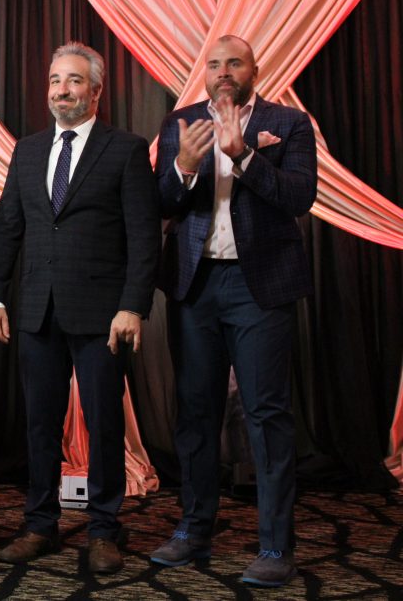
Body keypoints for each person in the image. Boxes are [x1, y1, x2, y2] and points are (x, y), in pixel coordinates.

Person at [0, 42, 160, 573]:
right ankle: (40, 524)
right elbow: (8, 228)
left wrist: (133, 306)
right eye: (56, 80)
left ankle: (104, 529)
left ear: (96, 91)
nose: (62, 90)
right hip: (37, 310)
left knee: (104, 424)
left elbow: (144, 236)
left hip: (104, 315)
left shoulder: (126, 150)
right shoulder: (27, 150)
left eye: (75, 80)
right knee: (40, 423)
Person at [151, 35, 317, 588]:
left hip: (259, 286)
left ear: (254, 70)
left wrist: (244, 155)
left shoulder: (288, 123)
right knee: (195, 412)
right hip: (195, 284)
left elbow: (299, 198)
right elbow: (161, 203)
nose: (223, 72)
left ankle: (275, 545)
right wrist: (183, 165)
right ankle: (194, 529)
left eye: (234, 63)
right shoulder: (180, 123)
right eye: (215, 64)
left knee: (266, 415)